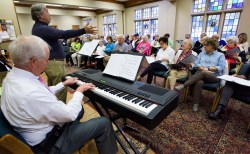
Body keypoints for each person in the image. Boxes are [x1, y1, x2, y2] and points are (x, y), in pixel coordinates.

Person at [1, 35, 118, 154]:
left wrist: (63, 84)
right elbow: (70, 114)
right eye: (47, 59)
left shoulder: (12, 77)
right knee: (103, 122)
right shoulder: (31, 93)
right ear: (33, 61)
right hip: (51, 143)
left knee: (80, 109)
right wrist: (79, 91)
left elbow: (42, 92)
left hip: (37, 129)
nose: (48, 62)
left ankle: (76, 130)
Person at [31, 3, 97, 103]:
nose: (50, 14)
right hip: (54, 64)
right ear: (40, 15)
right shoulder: (42, 28)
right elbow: (63, 34)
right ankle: (61, 114)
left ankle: (55, 110)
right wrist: (83, 30)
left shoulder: (38, 28)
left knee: (54, 88)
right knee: (60, 89)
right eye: (47, 11)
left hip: (53, 63)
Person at [183, 37, 226, 112]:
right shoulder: (201, 54)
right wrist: (202, 68)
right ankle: (195, 104)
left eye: (206, 45)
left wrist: (208, 69)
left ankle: (185, 84)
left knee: (203, 73)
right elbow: (196, 63)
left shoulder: (220, 55)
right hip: (200, 74)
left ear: (212, 45)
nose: (204, 46)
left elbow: (221, 67)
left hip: (214, 76)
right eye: (204, 45)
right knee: (199, 82)